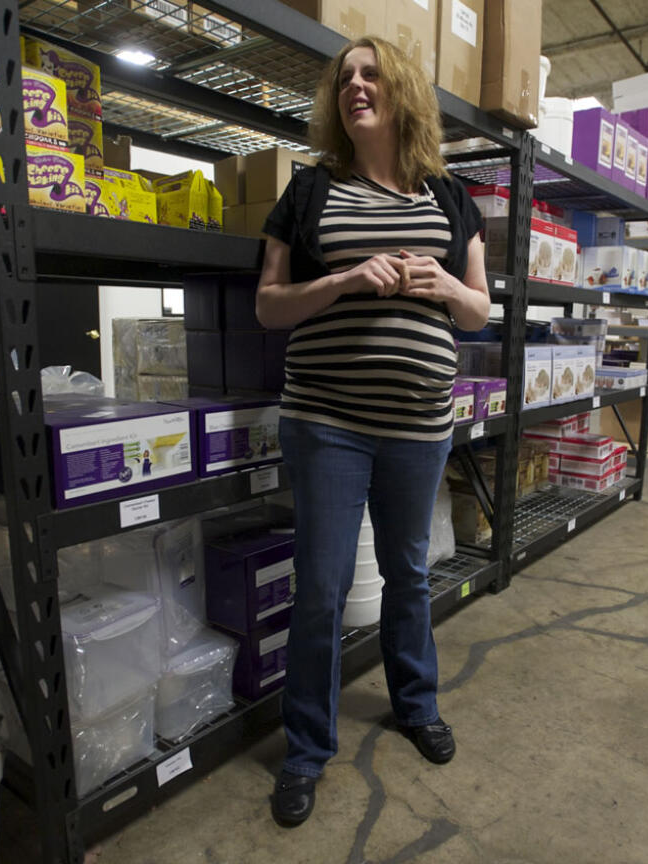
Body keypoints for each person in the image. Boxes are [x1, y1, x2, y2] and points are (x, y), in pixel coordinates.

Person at [255, 36, 490, 827]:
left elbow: (480, 309)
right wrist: (346, 277)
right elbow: (268, 305)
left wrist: (449, 282)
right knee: (320, 588)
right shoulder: (309, 191)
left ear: (401, 92)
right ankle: (307, 749)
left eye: (371, 73)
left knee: (409, 574)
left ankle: (416, 706)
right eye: (344, 77)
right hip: (327, 422)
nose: (355, 85)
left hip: (419, 425)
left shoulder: (452, 198)